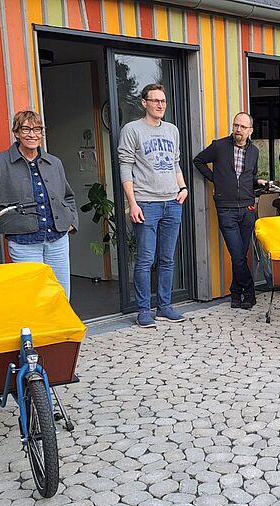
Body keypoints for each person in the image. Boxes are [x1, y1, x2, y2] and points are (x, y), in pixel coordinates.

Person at [0, 110, 78, 297]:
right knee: (33, 296)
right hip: (24, 242)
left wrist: (72, 221)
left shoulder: (54, 162)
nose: (32, 134)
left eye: (37, 129)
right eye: (26, 129)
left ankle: (58, 327)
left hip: (57, 239)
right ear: (16, 133)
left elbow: (67, 196)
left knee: (60, 295)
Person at [119, 83, 189, 327]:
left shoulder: (172, 130)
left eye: (163, 101)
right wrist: (133, 203)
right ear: (144, 103)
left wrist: (183, 188)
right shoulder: (132, 130)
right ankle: (143, 310)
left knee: (167, 259)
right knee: (145, 259)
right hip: (146, 203)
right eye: (156, 100)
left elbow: (175, 162)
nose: (161, 105)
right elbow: (125, 166)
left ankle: (165, 306)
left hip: (172, 202)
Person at [193, 112, 265, 309]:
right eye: (236, 126)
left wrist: (258, 182)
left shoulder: (254, 151)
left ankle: (235, 292)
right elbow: (198, 161)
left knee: (241, 253)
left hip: (248, 208)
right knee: (237, 253)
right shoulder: (220, 146)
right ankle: (249, 292)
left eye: (242, 127)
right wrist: (216, 178)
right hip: (226, 209)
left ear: (250, 131)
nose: (238, 130)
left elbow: (250, 176)